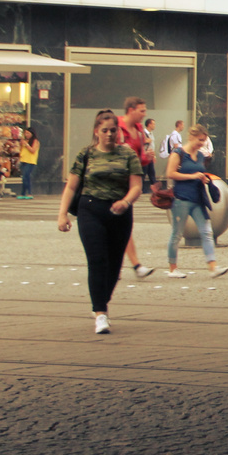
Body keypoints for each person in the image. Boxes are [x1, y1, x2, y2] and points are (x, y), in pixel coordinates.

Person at [56, 109, 144, 334]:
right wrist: (62, 214)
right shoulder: (86, 154)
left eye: (113, 130)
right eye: (104, 130)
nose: (109, 134)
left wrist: (125, 202)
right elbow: (72, 185)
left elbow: (136, 186)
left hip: (119, 212)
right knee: (97, 260)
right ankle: (100, 313)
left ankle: (101, 299)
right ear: (96, 132)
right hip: (91, 209)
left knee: (114, 265)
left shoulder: (127, 155)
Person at [163, 124, 228, 279]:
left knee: (206, 232)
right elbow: (170, 173)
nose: (201, 143)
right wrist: (193, 176)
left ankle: (212, 266)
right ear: (191, 137)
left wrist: (203, 178)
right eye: (200, 140)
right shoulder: (178, 153)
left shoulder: (200, 155)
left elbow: (199, 171)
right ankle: (173, 268)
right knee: (177, 234)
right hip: (182, 199)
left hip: (198, 199)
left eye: (204, 141)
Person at [116, 97, 157, 278]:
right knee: (120, 226)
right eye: (141, 110)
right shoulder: (116, 127)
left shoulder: (140, 130)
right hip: (114, 183)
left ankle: (120, 266)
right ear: (131, 110)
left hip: (130, 185)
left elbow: (139, 159)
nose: (144, 114)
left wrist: (147, 157)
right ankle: (135, 265)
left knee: (122, 226)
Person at [19, 124, 40, 199]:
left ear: (32, 133)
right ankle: (23, 193)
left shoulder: (35, 141)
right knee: (24, 177)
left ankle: (29, 193)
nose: (26, 135)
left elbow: (33, 150)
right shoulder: (25, 141)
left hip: (30, 161)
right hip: (23, 160)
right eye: (25, 133)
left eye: (28, 133)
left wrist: (26, 144)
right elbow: (21, 151)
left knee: (26, 176)